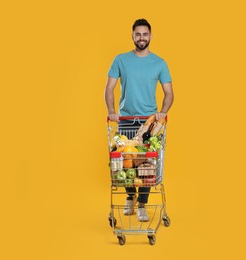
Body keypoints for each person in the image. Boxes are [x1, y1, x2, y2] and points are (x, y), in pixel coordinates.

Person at [104, 19, 174, 222]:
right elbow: (109, 88)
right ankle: (129, 198)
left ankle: (142, 205)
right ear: (132, 36)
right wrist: (111, 110)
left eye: (145, 34)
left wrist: (162, 112)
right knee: (125, 162)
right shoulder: (120, 60)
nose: (141, 38)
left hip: (148, 121)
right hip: (125, 119)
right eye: (138, 34)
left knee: (148, 163)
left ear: (150, 36)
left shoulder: (159, 63)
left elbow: (169, 92)